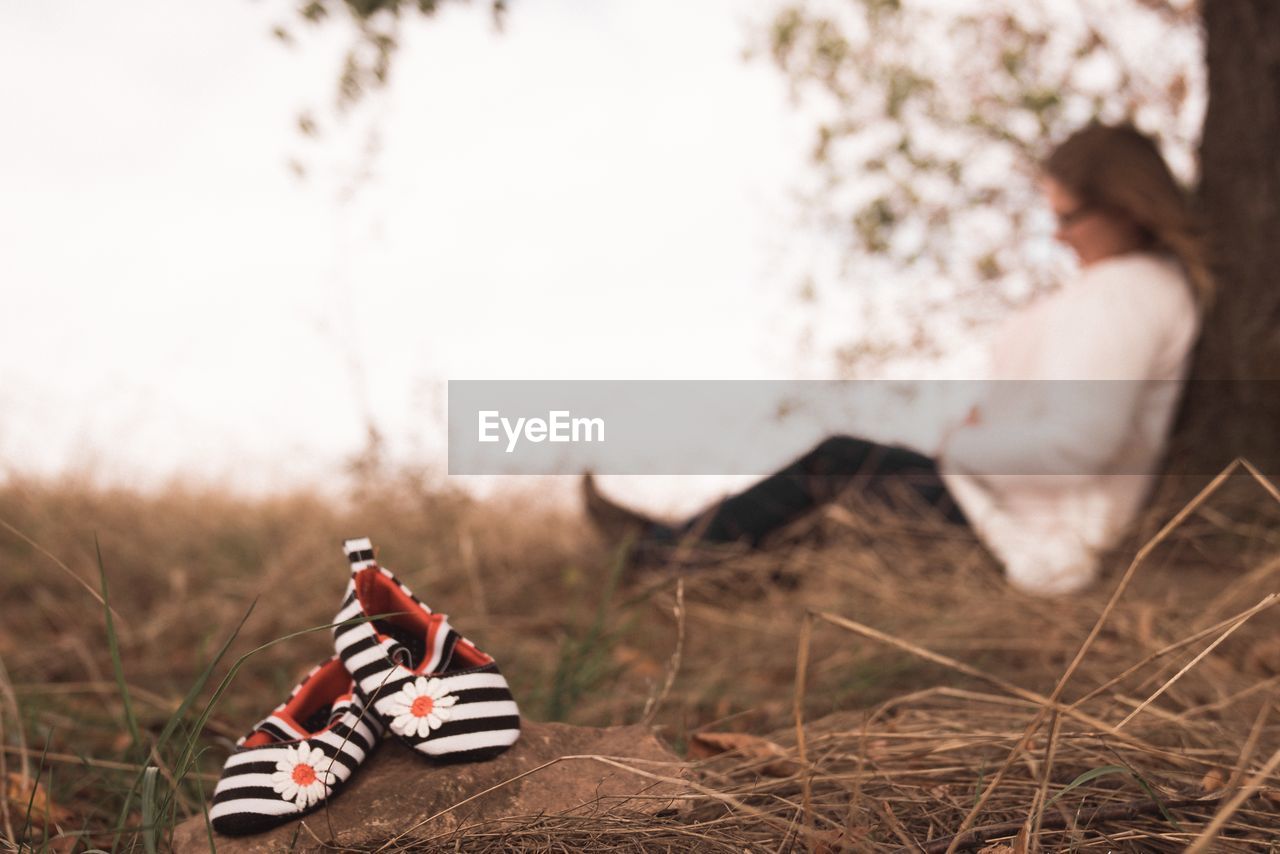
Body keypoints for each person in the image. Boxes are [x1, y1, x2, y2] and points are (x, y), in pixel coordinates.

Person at [584, 121, 1211, 596]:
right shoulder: (1133, 288)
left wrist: (961, 445)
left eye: (1068, 217)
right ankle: (684, 563)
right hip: (1005, 509)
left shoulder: (1124, 293)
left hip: (1028, 534)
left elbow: (1079, 446)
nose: (1059, 234)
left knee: (836, 465)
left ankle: (654, 559)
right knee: (837, 495)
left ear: (1124, 208)